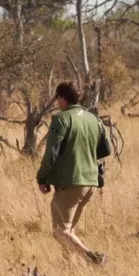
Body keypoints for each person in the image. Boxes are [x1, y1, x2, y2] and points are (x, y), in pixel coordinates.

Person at [37, 82, 112, 266]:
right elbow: (106, 149)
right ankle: (69, 269)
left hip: (71, 182)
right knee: (68, 230)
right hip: (91, 182)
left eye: (57, 98)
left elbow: (51, 152)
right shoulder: (94, 119)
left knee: (59, 231)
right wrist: (86, 154)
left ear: (62, 98)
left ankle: (92, 258)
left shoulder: (61, 119)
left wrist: (42, 177)